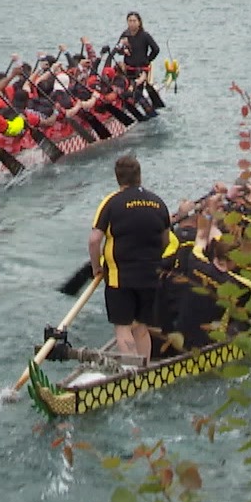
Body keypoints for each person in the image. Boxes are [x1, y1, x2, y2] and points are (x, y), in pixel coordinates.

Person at [89, 154, 176, 366]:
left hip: (120, 277)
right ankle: (144, 370)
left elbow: (94, 241)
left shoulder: (110, 203)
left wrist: (96, 267)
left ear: (118, 179)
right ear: (140, 176)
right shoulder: (158, 203)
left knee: (123, 326)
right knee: (141, 326)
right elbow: (165, 241)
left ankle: (130, 370)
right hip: (151, 275)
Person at [117, 11, 161, 80]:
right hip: (128, 68)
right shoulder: (125, 35)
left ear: (139, 22)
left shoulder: (145, 35)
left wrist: (148, 60)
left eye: (134, 21)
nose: (132, 23)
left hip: (141, 69)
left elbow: (156, 49)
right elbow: (118, 50)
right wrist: (123, 51)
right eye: (130, 21)